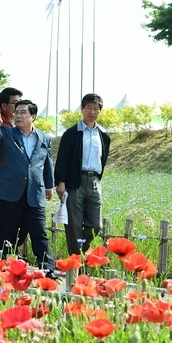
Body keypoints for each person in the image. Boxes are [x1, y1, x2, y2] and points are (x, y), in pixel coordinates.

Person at [0, 99, 57, 278]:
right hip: (10, 193)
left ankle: (48, 270)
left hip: (34, 193)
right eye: (16, 112)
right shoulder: (7, 133)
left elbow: (46, 164)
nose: (18, 115)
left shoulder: (44, 138)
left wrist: (49, 186)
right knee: (6, 233)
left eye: (23, 112)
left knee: (39, 233)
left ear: (33, 116)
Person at [54, 93, 111, 256]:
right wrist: (61, 181)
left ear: (100, 111)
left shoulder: (103, 134)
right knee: (74, 223)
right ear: (82, 109)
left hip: (94, 181)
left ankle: (79, 250)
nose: (92, 112)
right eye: (89, 108)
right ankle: (76, 260)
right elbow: (63, 158)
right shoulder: (72, 133)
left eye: (96, 109)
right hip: (74, 182)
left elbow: (103, 158)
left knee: (96, 225)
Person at [0, 87, 28, 246]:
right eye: (15, 103)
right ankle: (0, 259)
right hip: (0, 176)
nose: (19, 107)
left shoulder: (22, 123)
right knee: (4, 224)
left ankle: (10, 254)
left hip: (19, 179)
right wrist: (0, 100)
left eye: (21, 103)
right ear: (3, 106)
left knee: (24, 222)